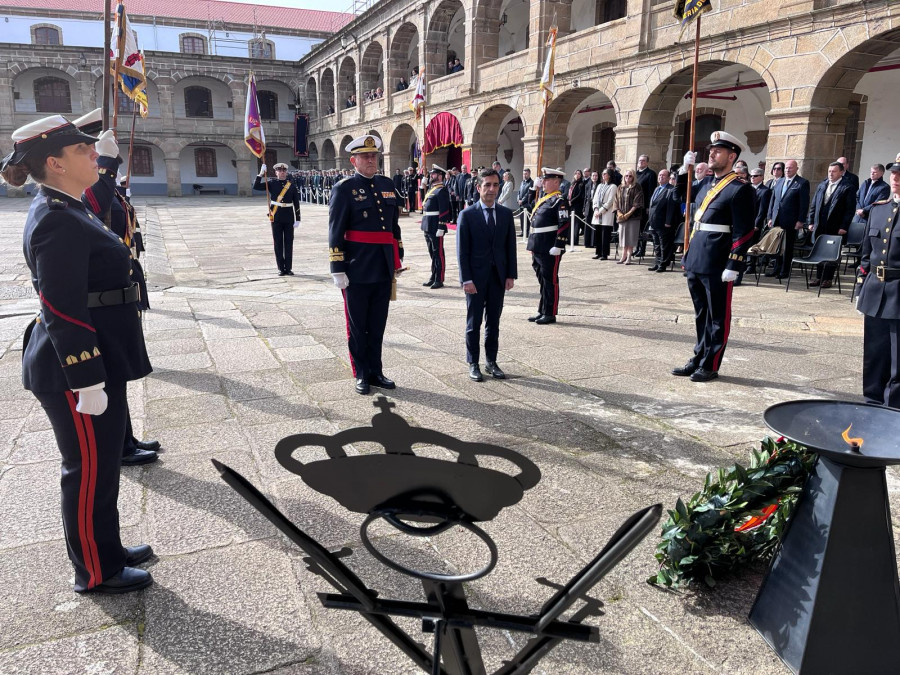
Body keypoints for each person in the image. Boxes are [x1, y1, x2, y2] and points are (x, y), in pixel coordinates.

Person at [1, 115, 154, 593]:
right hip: (75, 366)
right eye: (83, 151)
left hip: (97, 356)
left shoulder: (69, 206)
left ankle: (106, 547)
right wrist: (86, 377)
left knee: (104, 463)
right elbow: (60, 305)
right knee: (87, 469)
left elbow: (102, 197)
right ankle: (94, 569)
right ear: (54, 163)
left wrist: (106, 162)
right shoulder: (56, 219)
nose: (93, 154)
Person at [73, 109, 158, 466]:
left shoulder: (103, 185)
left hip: (118, 291)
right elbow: (95, 203)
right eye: (92, 152)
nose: (97, 159)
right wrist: (107, 164)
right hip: (99, 306)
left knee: (120, 376)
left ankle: (126, 437)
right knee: (112, 377)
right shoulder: (78, 194)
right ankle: (120, 445)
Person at [674, 131, 755, 382]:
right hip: (697, 255)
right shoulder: (707, 184)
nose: (711, 153)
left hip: (719, 260)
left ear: (731, 156)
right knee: (701, 313)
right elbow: (681, 196)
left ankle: (711, 363)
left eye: (717, 151)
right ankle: (698, 356)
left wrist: (734, 263)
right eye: (711, 150)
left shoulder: (740, 189)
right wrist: (683, 172)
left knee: (717, 315)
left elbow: (745, 231)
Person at [328, 135, 403, 395]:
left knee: (378, 324)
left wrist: (397, 258)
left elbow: (394, 227)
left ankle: (376, 371)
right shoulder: (344, 188)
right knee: (359, 326)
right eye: (365, 156)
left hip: (382, 267)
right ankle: (361, 373)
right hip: (356, 269)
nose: (371, 160)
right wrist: (337, 268)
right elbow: (335, 230)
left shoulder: (387, 184)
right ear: (354, 160)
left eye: (374, 156)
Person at [457, 169, 517, 382]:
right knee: (474, 323)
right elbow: (462, 251)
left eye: (495, 185)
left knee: (494, 321)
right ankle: (473, 362)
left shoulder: (505, 214)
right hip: (475, 279)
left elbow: (510, 247)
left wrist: (510, 274)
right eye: (487, 185)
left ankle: (491, 361)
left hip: (497, 278)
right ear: (478, 188)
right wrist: (466, 279)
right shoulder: (467, 215)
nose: (492, 189)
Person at [857, 162, 900, 407]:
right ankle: (871, 399)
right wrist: (861, 286)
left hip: (899, 290)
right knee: (874, 351)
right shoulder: (879, 209)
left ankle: (894, 406)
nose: (895, 177)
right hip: (875, 288)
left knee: (897, 357)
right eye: (894, 172)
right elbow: (866, 252)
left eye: (899, 174)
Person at [527, 168, 570, 324]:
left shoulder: (559, 201)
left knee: (550, 280)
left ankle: (550, 313)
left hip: (549, 247)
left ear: (556, 182)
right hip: (537, 245)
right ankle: (542, 310)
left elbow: (564, 223)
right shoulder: (544, 199)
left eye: (546, 180)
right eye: (543, 180)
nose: (543, 183)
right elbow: (529, 205)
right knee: (542, 281)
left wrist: (559, 244)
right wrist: (533, 189)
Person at [806, 161, 855, 288]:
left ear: (841, 172)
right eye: (829, 171)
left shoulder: (847, 186)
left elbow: (850, 210)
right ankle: (818, 277)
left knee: (831, 253)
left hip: (836, 226)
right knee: (819, 250)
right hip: (820, 224)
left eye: (834, 171)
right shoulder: (822, 185)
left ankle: (828, 278)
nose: (831, 174)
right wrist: (811, 221)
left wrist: (844, 226)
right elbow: (814, 205)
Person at [254, 162, 301, 276]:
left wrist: (298, 218)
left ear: (286, 172)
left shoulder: (291, 185)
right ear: (276, 172)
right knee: (278, 242)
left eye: (284, 171)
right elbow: (256, 187)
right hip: (276, 216)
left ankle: (288, 268)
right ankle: (281, 268)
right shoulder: (271, 183)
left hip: (289, 217)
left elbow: (296, 203)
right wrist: (260, 174)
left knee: (289, 243)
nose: (282, 173)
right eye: (280, 171)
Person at [766, 159, 810, 279]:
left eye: (790, 168)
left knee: (787, 247)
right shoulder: (779, 182)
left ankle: (784, 271)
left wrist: (801, 220)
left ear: (796, 168)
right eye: (786, 168)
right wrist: (770, 216)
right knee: (777, 246)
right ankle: (776, 268)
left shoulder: (802, 183)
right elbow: (773, 200)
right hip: (777, 219)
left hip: (791, 221)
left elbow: (804, 204)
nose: (787, 170)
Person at [421, 165, 452, 289]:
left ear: (440, 176)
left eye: (433, 174)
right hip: (427, 224)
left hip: (435, 225)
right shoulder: (431, 189)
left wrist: (441, 225)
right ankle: (433, 276)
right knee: (432, 253)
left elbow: (444, 210)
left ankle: (439, 278)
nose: (431, 176)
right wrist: (423, 186)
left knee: (438, 253)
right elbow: (425, 204)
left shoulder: (442, 190)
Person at [647, 169, 679, 272]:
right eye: (659, 175)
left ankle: (663, 264)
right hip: (654, 222)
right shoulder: (657, 189)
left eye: (663, 176)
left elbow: (671, 207)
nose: (661, 177)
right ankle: (657, 262)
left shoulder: (671, 190)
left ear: (668, 178)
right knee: (656, 244)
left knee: (663, 244)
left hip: (664, 223)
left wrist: (668, 221)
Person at [613, 169, 644, 264]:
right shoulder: (620, 187)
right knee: (623, 237)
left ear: (633, 177)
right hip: (622, 216)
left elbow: (637, 203)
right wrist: (619, 213)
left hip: (633, 217)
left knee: (630, 237)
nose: (628, 177)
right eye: (626, 176)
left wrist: (628, 214)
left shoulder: (637, 187)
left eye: (630, 176)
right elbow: (615, 201)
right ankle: (623, 255)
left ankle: (629, 256)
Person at [591, 169, 617, 259]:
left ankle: (604, 253)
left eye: (605, 173)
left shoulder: (613, 186)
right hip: (597, 212)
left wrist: (601, 211)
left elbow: (610, 201)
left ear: (609, 175)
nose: (603, 175)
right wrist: (595, 209)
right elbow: (595, 198)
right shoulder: (599, 185)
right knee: (597, 233)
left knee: (605, 234)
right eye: (602, 173)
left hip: (606, 213)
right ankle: (598, 252)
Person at [635, 155, 657, 257]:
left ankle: (642, 249)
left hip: (644, 206)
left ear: (647, 163)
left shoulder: (650, 174)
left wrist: (649, 206)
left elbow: (651, 192)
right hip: (634, 206)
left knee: (643, 228)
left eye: (643, 161)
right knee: (636, 229)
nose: (641, 162)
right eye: (639, 160)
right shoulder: (635, 174)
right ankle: (637, 247)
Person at [583, 171, 600, 249]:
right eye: (593, 176)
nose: (594, 177)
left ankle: (594, 242)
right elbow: (585, 199)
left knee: (594, 224)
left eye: (596, 176)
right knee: (588, 224)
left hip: (596, 207)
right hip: (588, 206)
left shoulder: (600, 185)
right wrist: (584, 209)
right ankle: (587, 242)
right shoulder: (587, 185)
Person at [568, 170, 585, 246]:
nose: (577, 175)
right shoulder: (572, 183)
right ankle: (569, 239)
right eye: (576, 174)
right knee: (570, 223)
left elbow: (579, 195)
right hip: (570, 205)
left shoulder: (581, 184)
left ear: (581, 175)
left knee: (576, 224)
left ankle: (575, 240)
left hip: (577, 206)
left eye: (579, 174)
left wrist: (571, 201)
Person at [517, 168, 534, 235]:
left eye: (526, 174)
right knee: (521, 219)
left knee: (526, 219)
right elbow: (519, 192)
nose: (524, 175)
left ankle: (526, 232)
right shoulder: (522, 182)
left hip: (526, 204)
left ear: (529, 174)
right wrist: (518, 199)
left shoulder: (531, 183)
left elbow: (528, 193)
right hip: (521, 204)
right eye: (524, 174)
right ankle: (522, 232)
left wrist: (522, 201)